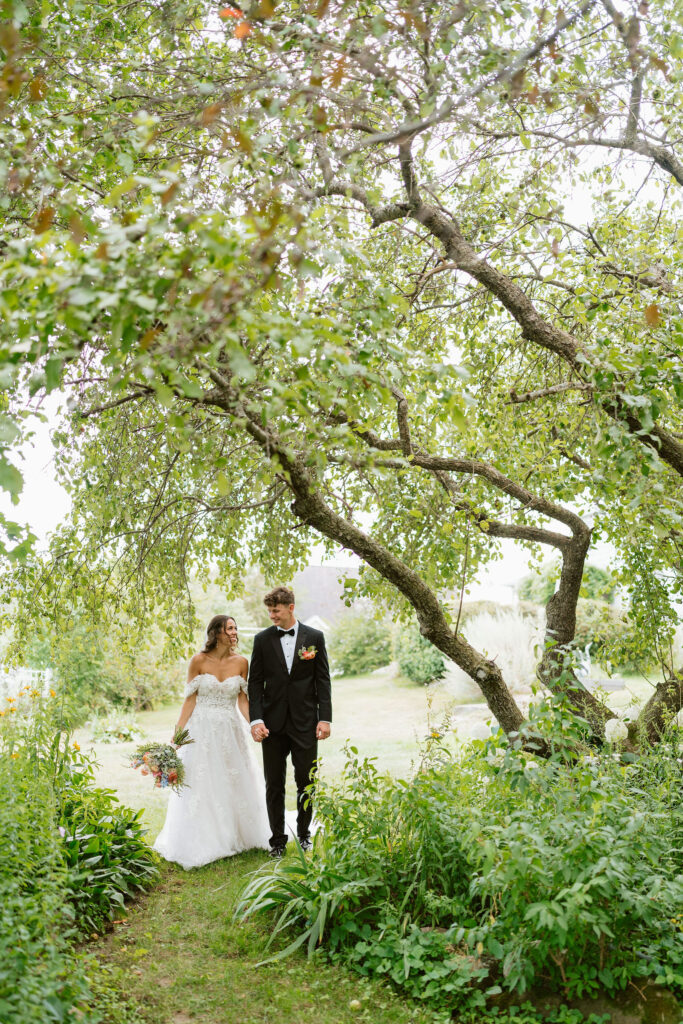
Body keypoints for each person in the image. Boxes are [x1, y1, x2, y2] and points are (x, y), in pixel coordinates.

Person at [153, 615, 270, 870]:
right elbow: (189, 700)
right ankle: (206, 839)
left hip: (230, 730)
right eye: (230, 628)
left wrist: (254, 724)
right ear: (216, 632)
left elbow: (242, 700)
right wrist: (178, 736)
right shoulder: (198, 661)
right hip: (202, 731)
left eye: (236, 628)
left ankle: (237, 834)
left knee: (233, 780)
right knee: (203, 782)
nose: (234, 632)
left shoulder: (241, 662)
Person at [248, 586, 332, 857]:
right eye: (270, 611)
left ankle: (305, 834)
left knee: (306, 782)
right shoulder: (262, 640)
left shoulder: (314, 637)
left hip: (305, 722)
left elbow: (322, 680)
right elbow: (255, 684)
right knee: (274, 784)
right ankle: (277, 841)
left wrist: (325, 719)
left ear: (290, 607)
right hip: (271, 725)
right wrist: (256, 720)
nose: (272, 615)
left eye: (276, 610)